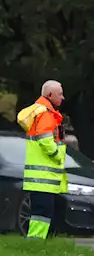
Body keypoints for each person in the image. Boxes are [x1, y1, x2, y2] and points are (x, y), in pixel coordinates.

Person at [17, 81, 67, 239]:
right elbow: (45, 141)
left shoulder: (42, 112)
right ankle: (35, 242)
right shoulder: (46, 114)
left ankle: (37, 242)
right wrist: (57, 155)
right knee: (42, 213)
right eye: (60, 94)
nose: (63, 97)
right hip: (43, 177)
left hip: (42, 177)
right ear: (50, 95)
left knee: (42, 212)